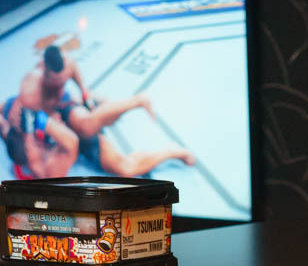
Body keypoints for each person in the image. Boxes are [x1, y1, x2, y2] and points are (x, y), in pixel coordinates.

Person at [20, 43, 197, 176]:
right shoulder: (31, 91)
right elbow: (28, 134)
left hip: (70, 113)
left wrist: (84, 93)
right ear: (44, 68)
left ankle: (137, 100)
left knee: (86, 125)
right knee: (125, 169)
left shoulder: (68, 63)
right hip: (57, 126)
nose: (60, 82)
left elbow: (75, 75)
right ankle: (171, 151)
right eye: (56, 81)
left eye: (62, 80)